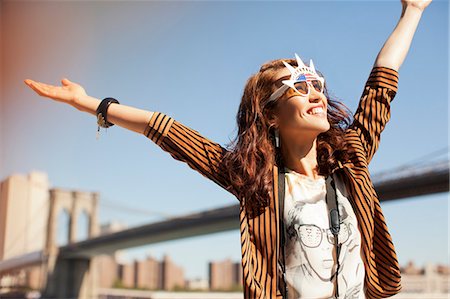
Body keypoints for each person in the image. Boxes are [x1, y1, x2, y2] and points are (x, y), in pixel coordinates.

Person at [24, 0, 432, 298]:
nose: (317, 96)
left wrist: (412, 10)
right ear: (270, 115)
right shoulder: (256, 180)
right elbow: (168, 131)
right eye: (299, 88)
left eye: (319, 87)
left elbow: (381, 85)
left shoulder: (350, 159)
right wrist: (93, 104)